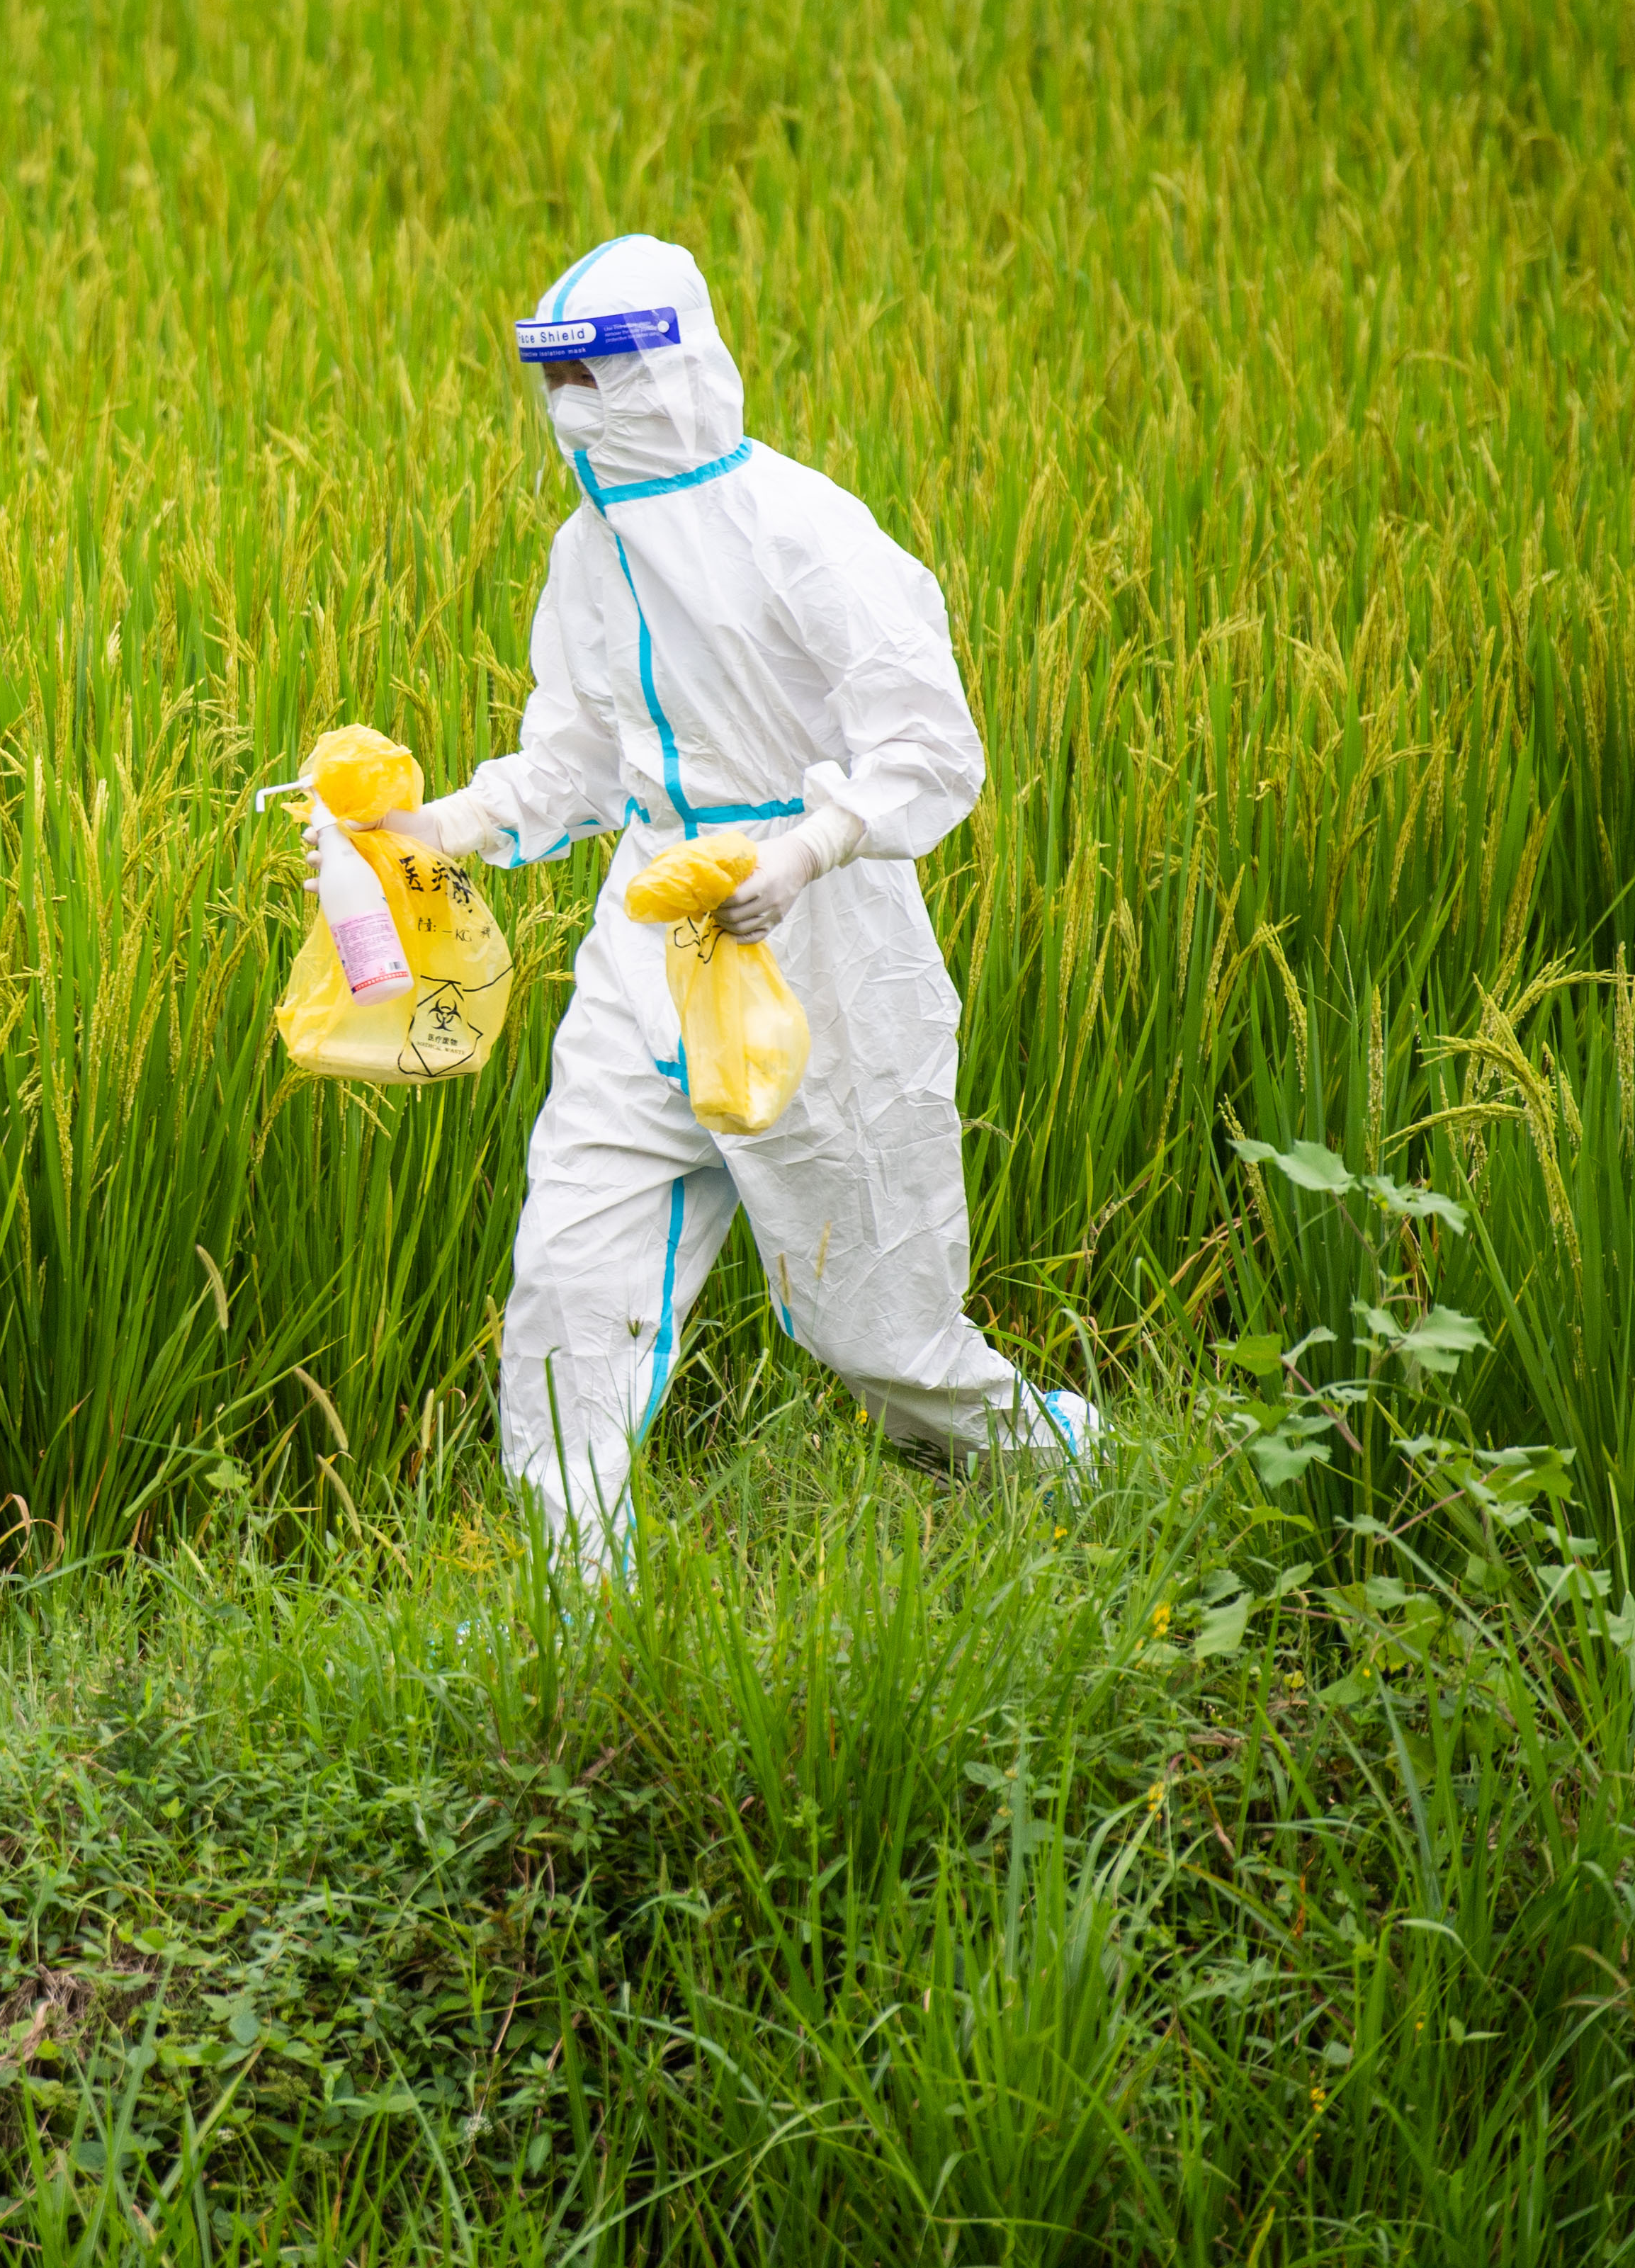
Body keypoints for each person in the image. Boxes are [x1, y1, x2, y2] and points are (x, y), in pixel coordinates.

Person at [368, 234, 1098, 1570]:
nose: (578, 410)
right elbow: (578, 759)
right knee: (570, 1284)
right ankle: (569, 1603)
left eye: (603, 375)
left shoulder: (809, 531)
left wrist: (808, 854)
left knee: (879, 1337)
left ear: (677, 367)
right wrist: (444, 825)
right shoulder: (591, 551)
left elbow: (931, 747)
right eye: (558, 379)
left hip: (820, 957)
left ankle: (1062, 1460)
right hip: (648, 934)